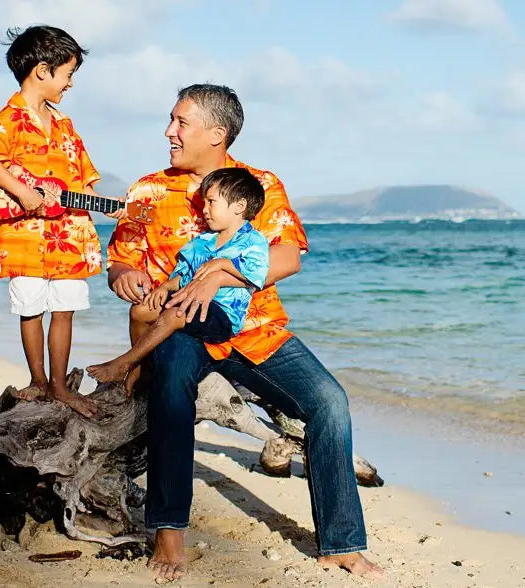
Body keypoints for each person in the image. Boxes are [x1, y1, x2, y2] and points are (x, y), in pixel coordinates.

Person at [106, 84, 384, 582]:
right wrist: (124, 275)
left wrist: (217, 273)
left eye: (180, 122)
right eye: (171, 121)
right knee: (171, 390)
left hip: (255, 329)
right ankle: (169, 531)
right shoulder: (147, 191)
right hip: (181, 327)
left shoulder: (261, 185)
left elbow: (288, 257)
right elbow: (121, 259)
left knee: (329, 402)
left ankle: (340, 543)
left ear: (217, 134)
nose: (169, 131)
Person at [0, 25, 117, 418]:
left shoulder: (65, 125)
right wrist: (22, 192)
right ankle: (38, 380)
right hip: (24, 233)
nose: (69, 84)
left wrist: (107, 204)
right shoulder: (8, 120)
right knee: (31, 306)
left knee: (65, 307)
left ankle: (58, 385)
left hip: (66, 232)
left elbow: (82, 177)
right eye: (67, 74)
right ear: (42, 70)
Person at [86, 167, 269, 387]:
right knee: (141, 309)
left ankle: (125, 364)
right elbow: (183, 274)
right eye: (204, 203)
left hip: (223, 316)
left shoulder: (253, 241)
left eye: (211, 202)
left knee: (175, 314)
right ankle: (143, 368)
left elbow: (257, 275)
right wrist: (164, 288)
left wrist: (222, 264)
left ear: (239, 206)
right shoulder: (201, 242)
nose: (205, 210)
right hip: (188, 301)